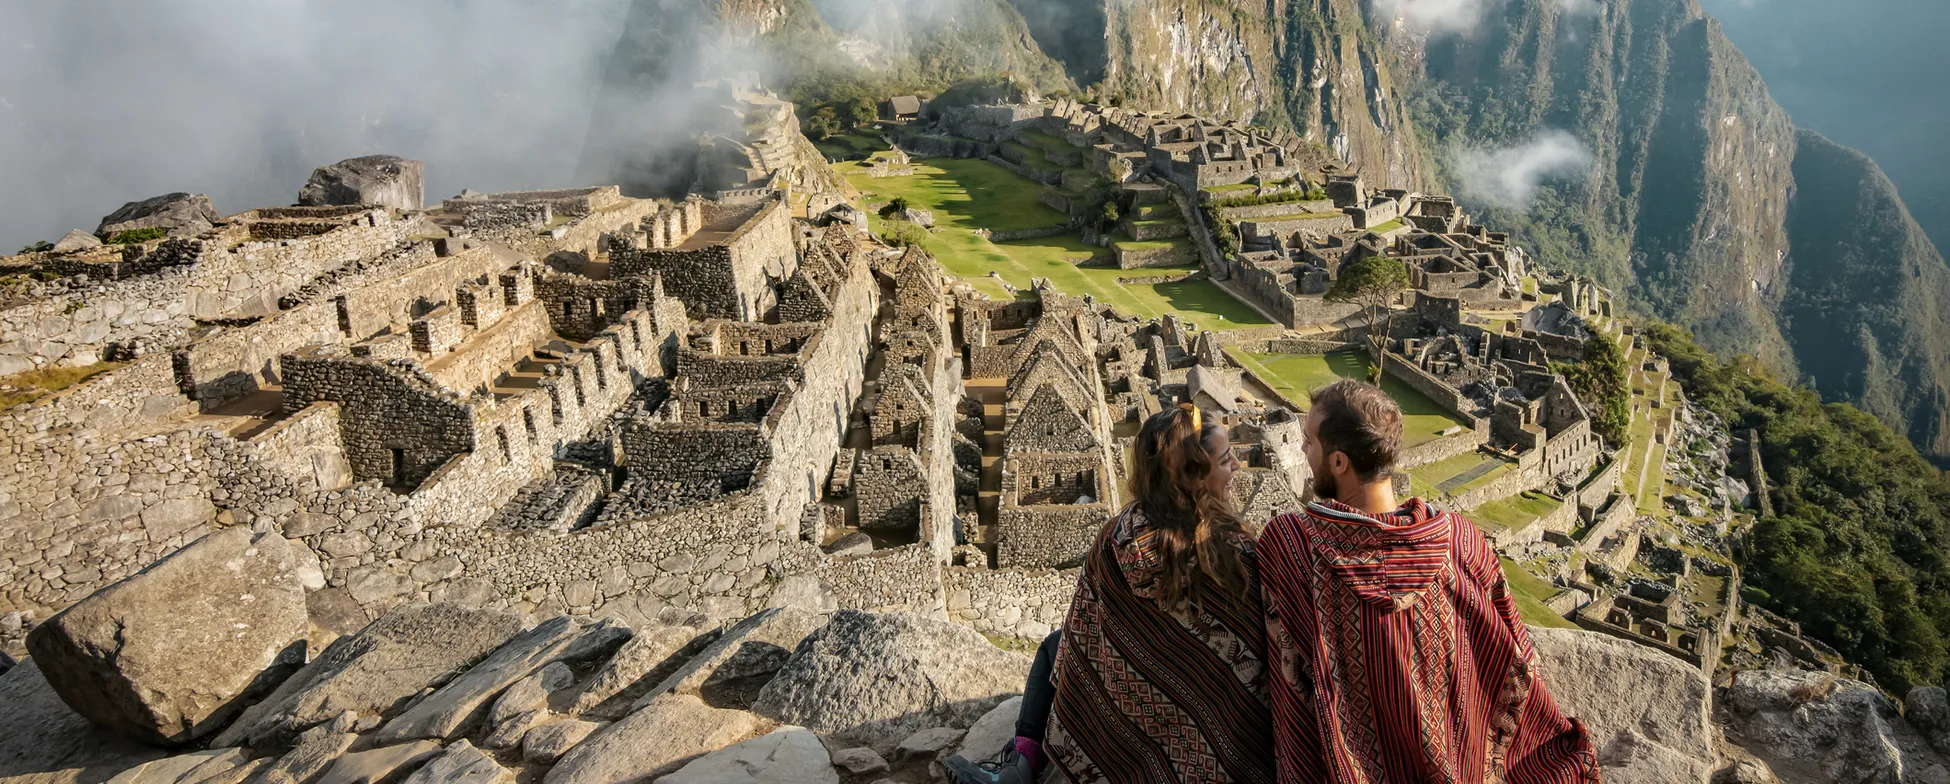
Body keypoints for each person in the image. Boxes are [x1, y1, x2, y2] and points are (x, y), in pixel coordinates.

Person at [1258, 379, 1599, 783]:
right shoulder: (1460, 540)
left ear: (1338, 463)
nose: (1301, 449)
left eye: (1309, 441)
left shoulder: (1293, 545)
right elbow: (1517, 650)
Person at [947, 403, 1276, 784]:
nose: (1236, 466)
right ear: (1195, 475)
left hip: (1130, 700)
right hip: (1206, 716)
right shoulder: (1234, 555)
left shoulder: (1118, 536)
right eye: (1226, 459)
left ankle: (1021, 763)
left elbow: (1083, 625)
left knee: (1057, 645)